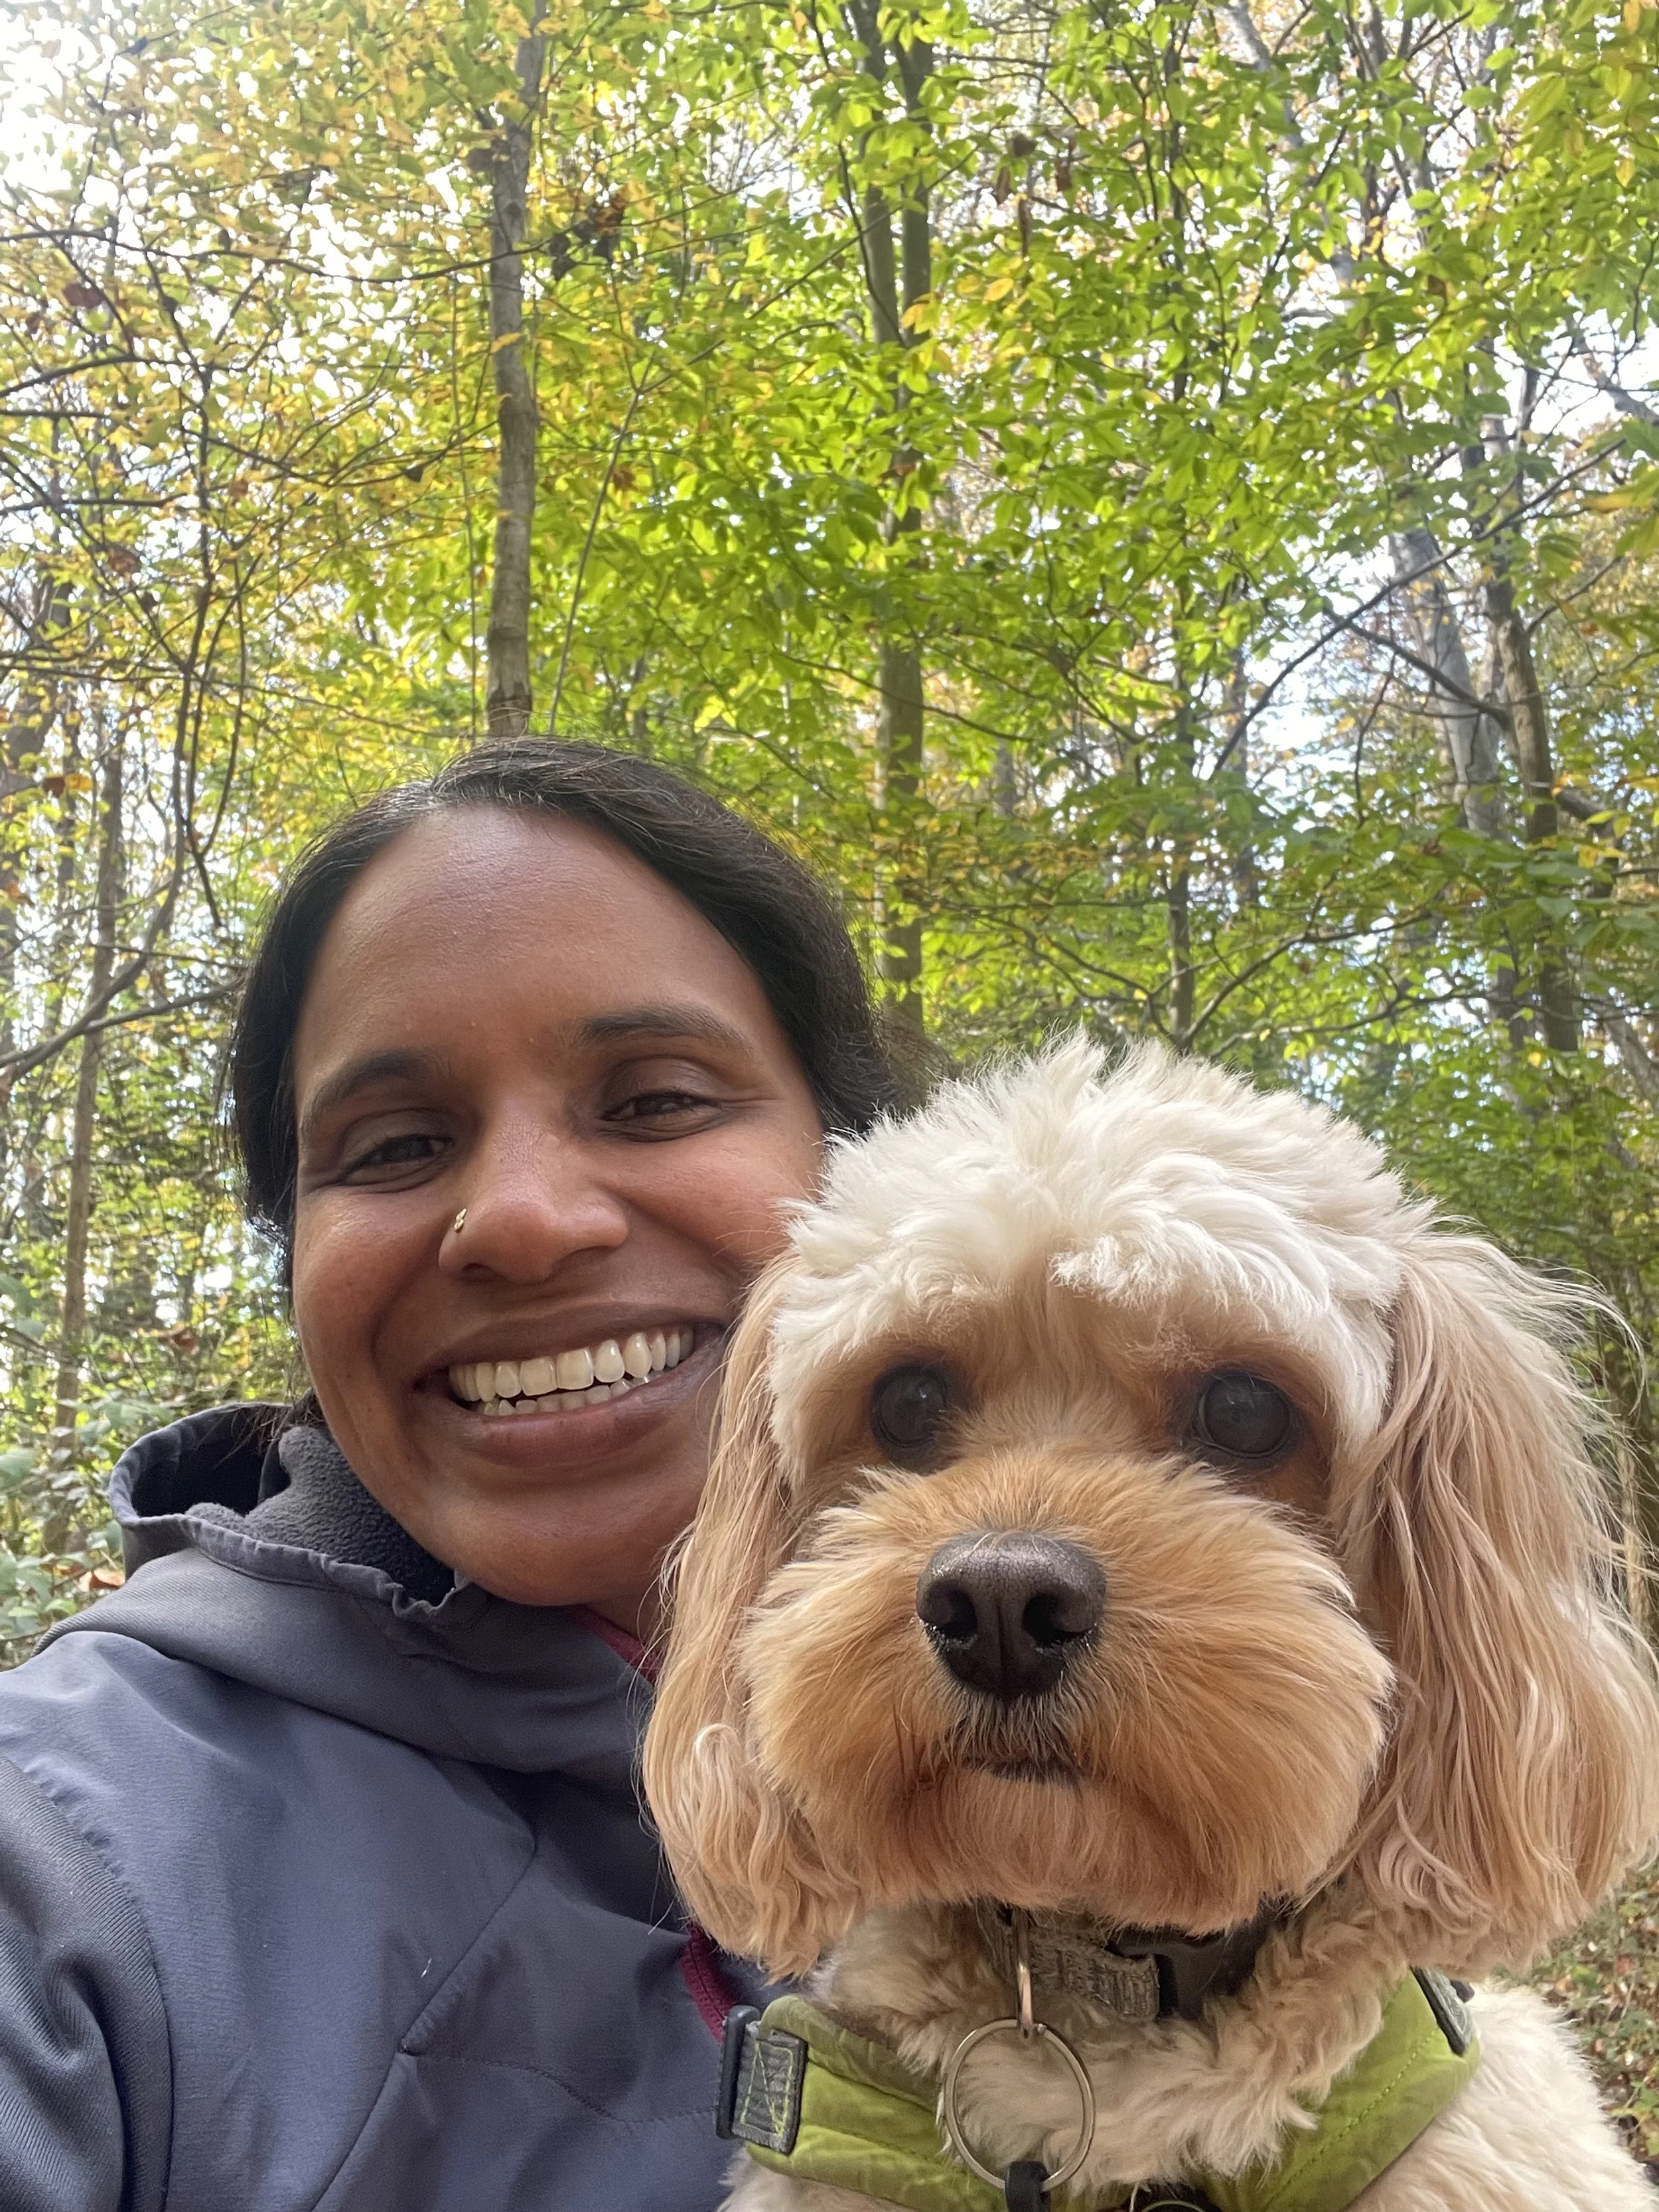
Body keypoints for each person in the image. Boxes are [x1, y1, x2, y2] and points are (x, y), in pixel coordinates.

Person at [0, 739, 896, 2212]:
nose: (522, 1220)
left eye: (655, 1098)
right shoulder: (65, 1862)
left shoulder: (1131, 1743)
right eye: (397, 1143)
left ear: (863, 1160)